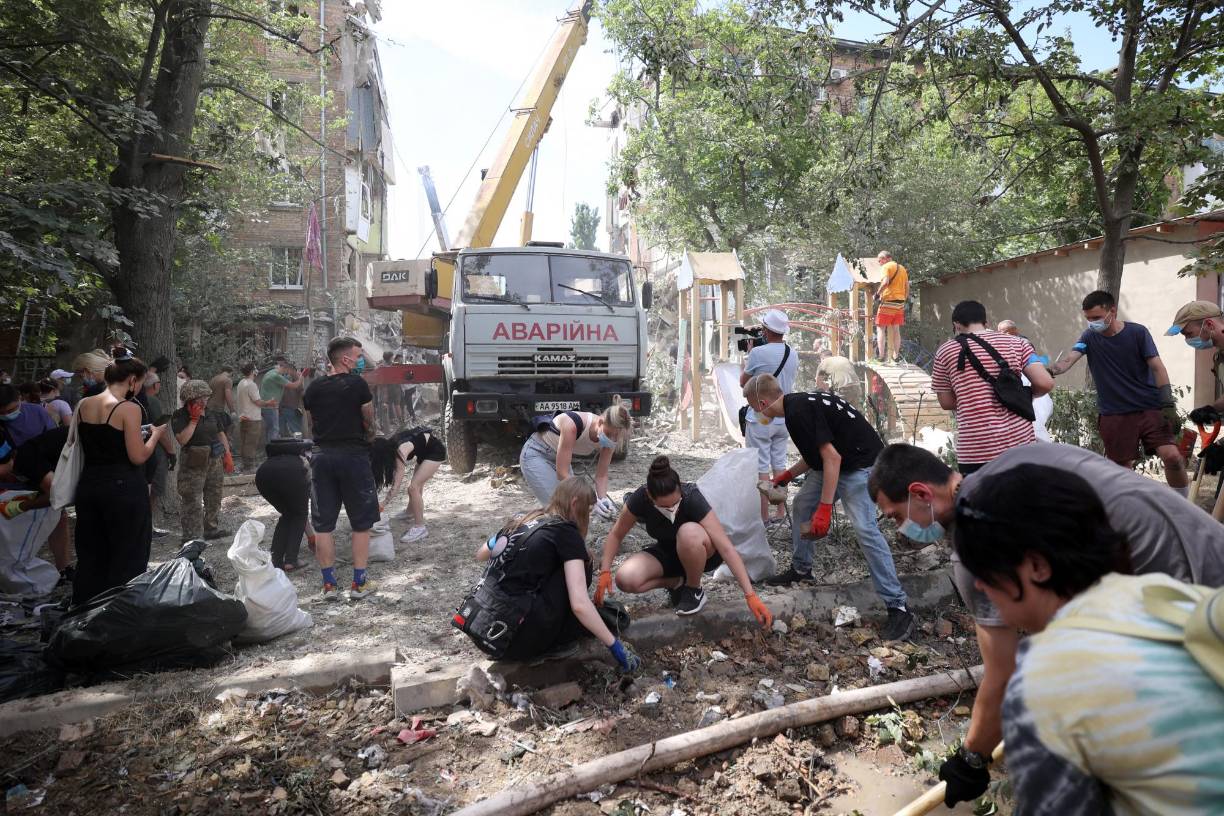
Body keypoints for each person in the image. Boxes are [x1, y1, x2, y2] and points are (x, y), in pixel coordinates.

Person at [867, 441, 1224, 807]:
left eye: (896, 516)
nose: (901, 529)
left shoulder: (991, 542)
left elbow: (1002, 675)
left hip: (1187, 572)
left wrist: (971, 758)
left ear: (921, 493)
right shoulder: (1019, 465)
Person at [743, 373, 914, 640]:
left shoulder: (797, 411)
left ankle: (898, 606)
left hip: (860, 465)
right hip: (839, 462)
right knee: (801, 504)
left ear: (762, 404)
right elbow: (817, 456)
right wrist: (786, 475)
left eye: (755, 409)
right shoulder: (798, 404)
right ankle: (801, 569)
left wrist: (824, 509)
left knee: (866, 530)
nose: (758, 416)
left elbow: (831, 458)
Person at [465, 477, 642, 669]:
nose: (588, 517)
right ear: (575, 504)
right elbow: (579, 605)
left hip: (482, 629)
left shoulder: (524, 519)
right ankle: (551, 644)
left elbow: (481, 554)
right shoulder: (566, 533)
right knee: (584, 565)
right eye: (588, 510)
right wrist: (614, 645)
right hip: (515, 641)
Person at [594, 455, 774, 626]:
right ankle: (676, 582)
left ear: (680, 489)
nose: (672, 509)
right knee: (626, 579)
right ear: (650, 496)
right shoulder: (640, 499)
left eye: (675, 503)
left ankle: (693, 589)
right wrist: (605, 571)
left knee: (688, 532)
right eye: (665, 506)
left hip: (702, 552)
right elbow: (617, 534)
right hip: (668, 551)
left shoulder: (692, 496)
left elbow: (726, 547)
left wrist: (750, 595)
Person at [1049, 290, 1188, 494]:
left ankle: (1181, 507)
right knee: (1122, 469)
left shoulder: (1138, 333)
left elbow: (1158, 367)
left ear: (1112, 311)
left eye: (1096, 317)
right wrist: (1050, 370)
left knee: (1173, 457)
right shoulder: (1088, 337)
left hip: (1149, 407)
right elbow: (1068, 360)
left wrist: (1167, 403)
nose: (1091, 322)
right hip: (1114, 413)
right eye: (1087, 318)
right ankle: (1130, 513)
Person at [72, 353, 167, 605]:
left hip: (90, 485)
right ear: (132, 380)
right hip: (123, 488)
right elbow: (137, 456)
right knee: (128, 553)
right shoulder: (128, 408)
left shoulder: (84, 404)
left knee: (92, 553)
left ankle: (85, 610)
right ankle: (120, 611)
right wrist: (155, 435)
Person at [930, 301, 1053, 475]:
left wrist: (972, 397)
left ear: (956, 325)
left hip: (976, 451)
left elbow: (947, 402)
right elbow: (1045, 383)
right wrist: (1023, 396)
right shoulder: (1017, 343)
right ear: (986, 323)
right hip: (1020, 445)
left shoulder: (945, 352)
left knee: (983, 502)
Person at [303, 337, 380, 600]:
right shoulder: (357, 384)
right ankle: (358, 584)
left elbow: (311, 425)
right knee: (361, 523)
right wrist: (369, 439)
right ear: (345, 359)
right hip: (353, 457)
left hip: (322, 458)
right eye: (358, 355)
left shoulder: (313, 388)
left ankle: (329, 586)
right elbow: (368, 418)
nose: (361, 360)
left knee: (323, 525)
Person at [518, 401, 632, 517]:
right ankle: (521, 522)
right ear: (600, 422)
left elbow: (601, 475)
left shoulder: (611, 439)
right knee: (558, 509)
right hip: (537, 453)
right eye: (609, 434)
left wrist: (602, 499)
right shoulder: (572, 425)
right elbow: (562, 473)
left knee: (574, 509)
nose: (611, 438)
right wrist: (592, 500)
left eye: (616, 436)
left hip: (559, 458)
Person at [739, 310, 798, 524]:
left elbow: (743, 383)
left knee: (762, 468)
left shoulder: (758, 354)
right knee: (779, 463)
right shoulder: (793, 352)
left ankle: (764, 516)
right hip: (785, 418)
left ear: (765, 330)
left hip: (762, 418)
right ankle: (781, 512)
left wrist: (749, 355)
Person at [172, 379, 234, 543]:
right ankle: (191, 536)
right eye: (202, 397)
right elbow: (182, 440)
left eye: (206, 396)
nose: (205, 400)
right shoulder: (180, 416)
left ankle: (211, 528)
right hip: (193, 461)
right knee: (192, 499)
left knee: (214, 495)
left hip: (214, 458)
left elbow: (220, 433)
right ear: (192, 398)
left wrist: (227, 454)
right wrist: (193, 420)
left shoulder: (211, 412)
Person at [371, 427, 446, 544]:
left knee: (413, 488)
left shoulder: (400, 450)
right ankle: (410, 512)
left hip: (436, 452)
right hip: (424, 453)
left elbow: (396, 485)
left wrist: (383, 504)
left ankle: (420, 528)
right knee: (416, 486)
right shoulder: (392, 445)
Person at [255, 438, 315, 571]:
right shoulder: (303, 460)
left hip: (263, 475)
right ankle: (291, 560)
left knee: (288, 515)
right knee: (298, 515)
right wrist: (312, 536)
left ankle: (275, 560)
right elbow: (303, 512)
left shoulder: (273, 459)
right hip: (291, 475)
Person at [1166, 300, 1224, 425]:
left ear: (1209, 324)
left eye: (1189, 334)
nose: (1187, 340)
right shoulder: (1219, 357)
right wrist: (1211, 409)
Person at [997, 319, 1054, 442]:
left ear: (1013, 331)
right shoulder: (1010, 375)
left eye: (1004, 331)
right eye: (999, 332)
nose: (1001, 334)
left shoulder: (1023, 347)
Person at [143, 372, 176, 539]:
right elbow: (160, 430)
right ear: (155, 386)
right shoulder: (152, 401)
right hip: (154, 450)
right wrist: (171, 451)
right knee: (152, 492)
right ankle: (147, 527)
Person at [873, 250, 908, 363]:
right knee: (896, 329)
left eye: (880, 260)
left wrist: (877, 294)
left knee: (880, 328)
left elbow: (885, 282)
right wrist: (903, 299)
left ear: (886, 258)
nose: (879, 263)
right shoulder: (902, 268)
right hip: (900, 302)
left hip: (889, 300)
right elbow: (907, 286)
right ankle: (895, 356)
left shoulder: (886, 267)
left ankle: (881, 356)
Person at [260, 357, 303, 443]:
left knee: (272, 430)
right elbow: (294, 386)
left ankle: (271, 450)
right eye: (287, 370)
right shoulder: (276, 376)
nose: (287, 373)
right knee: (275, 430)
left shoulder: (270, 373)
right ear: (285, 368)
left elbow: (300, 389)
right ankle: (273, 451)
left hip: (272, 407)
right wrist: (301, 377)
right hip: (273, 407)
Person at [0, 383, 55, 448]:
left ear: (19, 398)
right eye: (1, 413)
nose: (6, 415)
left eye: (11, 410)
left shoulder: (37, 411)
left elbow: (53, 435)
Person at [235, 363, 266, 472]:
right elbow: (257, 401)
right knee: (251, 443)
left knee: (244, 442)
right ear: (252, 371)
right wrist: (269, 403)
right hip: (253, 418)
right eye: (255, 369)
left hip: (244, 417)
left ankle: (244, 464)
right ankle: (249, 467)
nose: (257, 370)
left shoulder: (241, 383)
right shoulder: (251, 384)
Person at [279, 362, 305, 436]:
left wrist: (294, 375)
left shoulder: (297, 378)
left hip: (293, 409)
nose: (286, 370)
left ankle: (298, 447)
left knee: (296, 432)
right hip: (282, 409)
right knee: (281, 434)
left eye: (288, 368)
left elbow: (301, 391)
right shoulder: (281, 378)